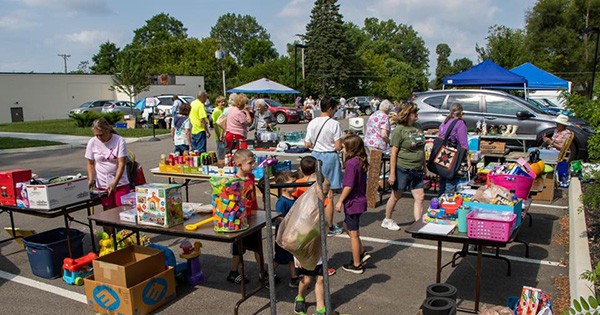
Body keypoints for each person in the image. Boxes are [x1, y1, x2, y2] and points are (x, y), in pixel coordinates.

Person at [293, 178, 340, 315]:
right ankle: (300, 297)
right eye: (324, 193)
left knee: (321, 278)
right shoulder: (304, 207)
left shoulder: (322, 205)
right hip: (304, 250)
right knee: (306, 279)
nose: (325, 197)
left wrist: (330, 202)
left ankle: (320, 308)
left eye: (327, 194)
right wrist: (298, 257)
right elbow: (296, 234)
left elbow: (329, 223)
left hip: (319, 249)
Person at [382, 101, 426, 230]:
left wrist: (424, 166)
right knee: (396, 195)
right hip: (403, 168)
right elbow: (394, 153)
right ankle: (387, 219)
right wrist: (392, 174)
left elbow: (421, 149)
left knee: (420, 197)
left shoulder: (418, 127)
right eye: (414, 112)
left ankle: (418, 223)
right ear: (407, 114)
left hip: (417, 168)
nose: (416, 114)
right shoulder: (399, 130)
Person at [304, 96, 344, 236]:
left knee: (315, 192)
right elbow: (338, 146)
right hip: (330, 157)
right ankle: (329, 226)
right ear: (330, 108)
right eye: (335, 109)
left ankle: (313, 223)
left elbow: (307, 143)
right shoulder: (334, 124)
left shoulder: (312, 122)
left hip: (315, 156)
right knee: (329, 194)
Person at [293, 156, 336, 277]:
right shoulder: (319, 186)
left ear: (301, 169)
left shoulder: (297, 184)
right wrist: (329, 223)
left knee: (302, 244)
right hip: (315, 220)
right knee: (317, 244)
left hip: (301, 220)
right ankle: (321, 267)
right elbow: (326, 205)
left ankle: (302, 266)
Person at [336, 135, 371, 274]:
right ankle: (361, 252)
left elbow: (348, 185)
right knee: (346, 226)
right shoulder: (360, 161)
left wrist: (340, 201)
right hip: (359, 200)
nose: (342, 150)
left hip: (353, 202)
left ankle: (357, 264)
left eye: (344, 147)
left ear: (351, 148)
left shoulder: (351, 164)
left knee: (354, 233)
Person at [227, 149, 261, 284]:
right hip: (240, 219)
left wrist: (256, 210)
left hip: (252, 217)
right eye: (250, 163)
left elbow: (252, 197)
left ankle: (262, 271)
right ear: (239, 164)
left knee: (258, 246)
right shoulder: (234, 182)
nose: (253, 165)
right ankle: (233, 272)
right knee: (239, 249)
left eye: (253, 162)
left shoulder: (251, 177)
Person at [85, 118, 130, 210]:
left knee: (122, 209)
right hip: (102, 184)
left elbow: (121, 164)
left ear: (107, 130)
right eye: (96, 135)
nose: (99, 138)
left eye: (101, 135)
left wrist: (115, 182)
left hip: (120, 183)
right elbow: (90, 164)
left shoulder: (119, 140)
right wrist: (91, 179)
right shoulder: (92, 142)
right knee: (108, 211)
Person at [436, 103, 471, 195]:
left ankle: (439, 204)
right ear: (461, 112)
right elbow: (464, 144)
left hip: (443, 154)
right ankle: (447, 205)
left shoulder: (445, 122)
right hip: (453, 155)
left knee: (442, 182)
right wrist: (468, 160)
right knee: (450, 182)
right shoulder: (460, 123)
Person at [273, 171, 300, 288]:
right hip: (283, 234)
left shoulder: (293, 198)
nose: (295, 184)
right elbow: (279, 216)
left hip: (291, 233)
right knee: (280, 258)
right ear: (283, 187)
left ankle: (294, 278)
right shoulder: (282, 201)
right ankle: (266, 273)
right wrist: (289, 223)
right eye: (292, 183)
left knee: (291, 256)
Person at [211, 96, 227, 166]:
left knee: (224, 150)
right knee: (220, 150)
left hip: (224, 133)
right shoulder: (216, 111)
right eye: (221, 102)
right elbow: (214, 124)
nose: (223, 103)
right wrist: (218, 135)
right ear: (217, 103)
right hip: (219, 135)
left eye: (223, 102)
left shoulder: (224, 109)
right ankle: (219, 165)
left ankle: (224, 163)